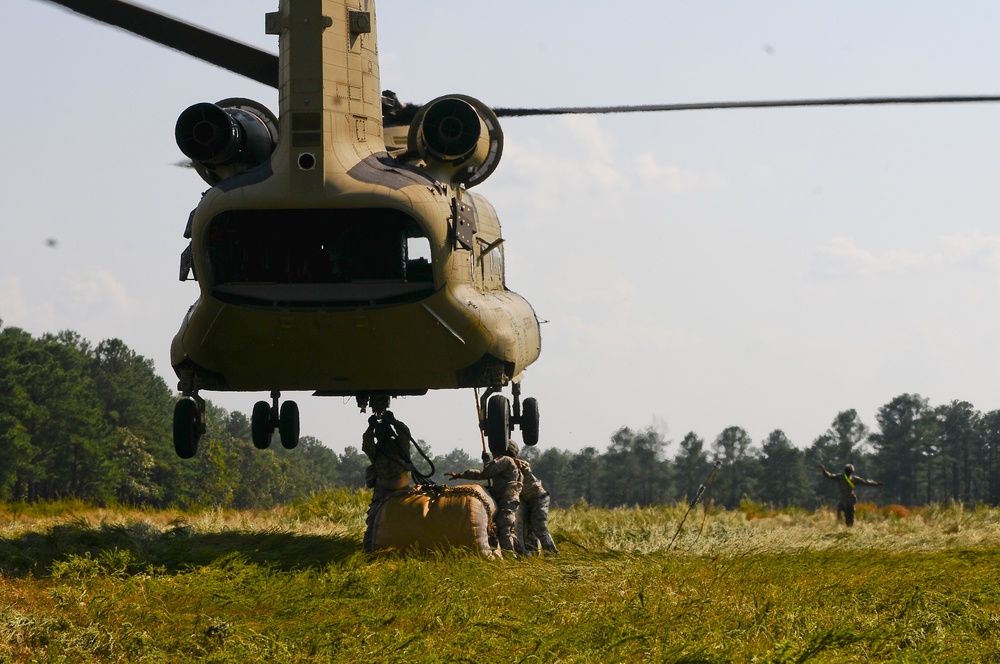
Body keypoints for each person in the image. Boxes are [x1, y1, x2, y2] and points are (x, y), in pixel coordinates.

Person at [446, 439, 523, 553]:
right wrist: (460, 475)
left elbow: (487, 472)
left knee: (504, 531)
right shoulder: (512, 463)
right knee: (506, 530)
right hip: (507, 499)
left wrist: (486, 460)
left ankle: (511, 557)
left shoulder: (506, 460)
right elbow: (482, 474)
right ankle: (518, 555)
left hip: (506, 499)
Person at [362, 410, 414, 551]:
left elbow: (405, 434)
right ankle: (370, 548)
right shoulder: (377, 451)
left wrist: (394, 422)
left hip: (402, 491)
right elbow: (367, 445)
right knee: (374, 519)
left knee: (410, 517)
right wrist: (370, 428)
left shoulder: (401, 448)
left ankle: (409, 546)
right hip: (383, 492)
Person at [515, 457, 558, 555]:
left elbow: (526, 467)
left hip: (538, 499)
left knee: (539, 528)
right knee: (530, 528)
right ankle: (534, 552)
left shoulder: (520, 465)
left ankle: (552, 553)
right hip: (529, 500)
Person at [819, 463, 884, 527]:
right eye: (848, 471)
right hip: (846, 498)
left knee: (849, 513)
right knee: (841, 512)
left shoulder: (847, 478)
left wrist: (876, 483)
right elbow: (829, 475)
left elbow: (865, 482)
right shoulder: (844, 477)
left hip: (848, 498)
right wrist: (823, 470)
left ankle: (848, 527)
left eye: (849, 471)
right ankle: (841, 525)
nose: (848, 472)